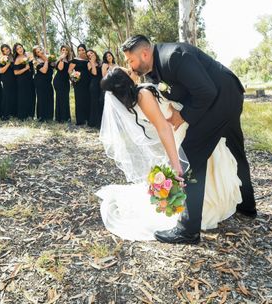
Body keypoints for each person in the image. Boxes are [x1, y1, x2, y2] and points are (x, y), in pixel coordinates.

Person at [118, 35, 257, 244]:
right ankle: (247, 206)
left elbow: (206, 91)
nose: (130, 66)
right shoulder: (156, 69)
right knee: (235, 151)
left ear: (145, 54)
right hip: (228, 96)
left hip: (220, 99)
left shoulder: (173, 57)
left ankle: (187, 230)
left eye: (131, 61)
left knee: (189, 158)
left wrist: (182, 116)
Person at [97, 67, 243, 241]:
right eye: (128, 72)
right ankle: (198, 212)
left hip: (186, 125)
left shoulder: (139, 96)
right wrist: (176, 164)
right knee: (201, 168)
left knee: (209, 166)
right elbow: (163, 128)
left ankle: (202, 209)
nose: (131, 69)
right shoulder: (143, 95)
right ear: (126, 82)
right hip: (184, 130)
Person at [69, 43, 91, 125]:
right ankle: (80, 120)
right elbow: (70, 70)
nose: (81, 51)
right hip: (78, 82)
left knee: (87, 99)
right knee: (79, 100)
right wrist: (73, 78)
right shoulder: (75, 60)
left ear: (85, 50)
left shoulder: (88, 60)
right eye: (79, 50)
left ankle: (88, 118)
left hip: (88, 82)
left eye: (82, 50)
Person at [34, 45, 54, 121]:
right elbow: (44, 71)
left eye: (41, 50)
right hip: (40, 81)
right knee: (41, 98)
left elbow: (54, 66)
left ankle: (49, 117)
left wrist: (49, 59)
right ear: (36, 54)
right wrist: (46, 61)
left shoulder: (49, 57)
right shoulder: (35, 61)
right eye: (38, 52)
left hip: (48, 81)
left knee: (49, 96)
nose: (40, 52)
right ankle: (41, 117)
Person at [53, 44, 73, 122]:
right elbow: (60, 68)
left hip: (66, 81)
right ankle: (60, 118)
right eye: (63, 50)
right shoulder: (59, 60)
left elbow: (69, 71)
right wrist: (61, 59)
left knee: (65, 98)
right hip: (58, 81)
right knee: (60, 98)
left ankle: (66, 117)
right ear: (61, 51)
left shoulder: (69, 61)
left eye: (66, 50)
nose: (64, 51)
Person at [0, 44, 17, 119]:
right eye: (4, 50)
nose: (6, 51)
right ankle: (5, 114)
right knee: (7, 96)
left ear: (9, 48)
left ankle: (14, 113)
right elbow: (0, 71)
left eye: (7, 49)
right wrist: (8, 63)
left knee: (14, 96)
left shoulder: (15, 56)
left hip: (15, 79)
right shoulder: (3, 58)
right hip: (7, 79)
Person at [87, 49, 102, 129]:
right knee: (95, 103)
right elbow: (95, 73)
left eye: (91, 53)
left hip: (102, 85)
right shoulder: (89, 64)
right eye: (88, 55)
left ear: (95, 53)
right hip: (94, 85)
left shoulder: (100, 62)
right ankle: (95, 123)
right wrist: (92, 62)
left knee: (101, 102)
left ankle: (102, 121)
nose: (90, 55)